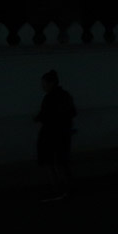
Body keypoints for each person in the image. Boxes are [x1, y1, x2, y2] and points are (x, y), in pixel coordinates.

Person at [34, 69, 77, 201]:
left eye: (44, 84)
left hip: (51, 134)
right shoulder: (65, 95)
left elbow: (45, 116)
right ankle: (67, 189)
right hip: (63, 134)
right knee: (62, 162)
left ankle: (57, 189)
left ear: (51, 83)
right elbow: (72, 112)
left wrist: (38, 118)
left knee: (50, 163)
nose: (43, 87)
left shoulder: (50, 98)